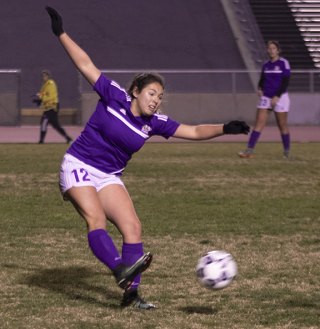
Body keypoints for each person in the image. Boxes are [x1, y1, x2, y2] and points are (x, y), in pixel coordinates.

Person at [45, 7, 249, 309]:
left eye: (160, 96)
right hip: (79, 165)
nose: (156, 99)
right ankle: (119, 270)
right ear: (136, 91)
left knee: (133, 228)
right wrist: (61, 33)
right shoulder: (114, 95)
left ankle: (131, 295)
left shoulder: (155, 123)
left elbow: (192, 131)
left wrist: (224, 128)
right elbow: (85, 63)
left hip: (108, 175)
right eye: (152, 93)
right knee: (96, 219)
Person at [238, 40, 292, 159]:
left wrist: (277, 96)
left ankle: (287, 153)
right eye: (269, 48)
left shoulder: (284, 63)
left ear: (278, 50)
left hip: (280, 97)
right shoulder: (266, 65)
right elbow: (262, 79)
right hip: (266, 97)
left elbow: (285, 81)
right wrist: (259, 88)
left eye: (273, 48)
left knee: (282, 125)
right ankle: (249, 151)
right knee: (258, 124)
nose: (271, 50)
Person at [35, 69, 73, 144]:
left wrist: (42, 99)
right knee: (55, 125)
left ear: (49, 76)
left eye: (45, 75)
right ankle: (68, 138)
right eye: (43, 76)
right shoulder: (45, 85)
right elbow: (43, 94)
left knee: (45, 122)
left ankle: (41, 141)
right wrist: (39, 99)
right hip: (48, 108)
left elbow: (51, 97)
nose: (44, 77)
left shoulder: (51, 84)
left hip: (52, 107)